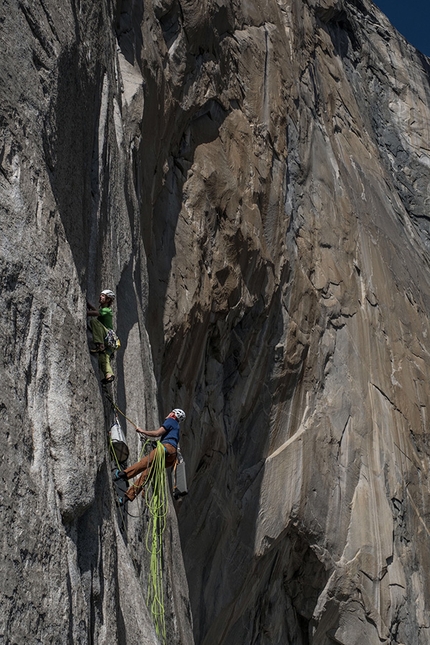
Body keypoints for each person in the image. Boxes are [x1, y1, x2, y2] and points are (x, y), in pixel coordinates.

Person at [115, 408, 186, 503]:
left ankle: (123, 474)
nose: (169, 414)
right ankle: (126, 498)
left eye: (171, 412)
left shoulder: (171, 421)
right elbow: (170, 440)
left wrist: (142, 431)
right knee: (146, 475)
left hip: (165, 449)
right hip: (171, 457)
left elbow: (157, 433)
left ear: (173, 415)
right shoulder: (177, 428)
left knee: (145, 462)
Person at [87, 289, 116, 384]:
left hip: (107, 337)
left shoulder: (107, 310)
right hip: (111, 341)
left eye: (103, 296)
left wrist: (85, 312)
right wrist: (89, 305)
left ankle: (100, 345)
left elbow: (97, 314)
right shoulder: (104, 310)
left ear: (108, 300)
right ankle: (109, 375)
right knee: (104, 357)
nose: (100, 297)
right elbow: (97, 311)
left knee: (94, 322)